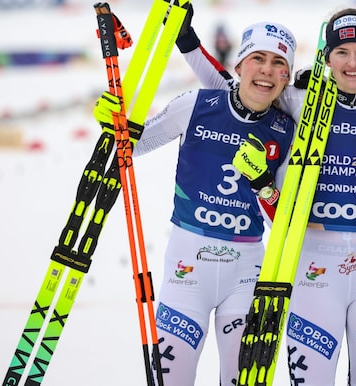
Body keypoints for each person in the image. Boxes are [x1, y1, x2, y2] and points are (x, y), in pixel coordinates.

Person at [177, 7, 356, 386]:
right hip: (313, 267)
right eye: (342, 52)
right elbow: (232, 90)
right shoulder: (302, 101)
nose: (353, 63)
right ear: (327, 57)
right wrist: (188, 45)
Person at [93, 20, 298, 386]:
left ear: (286, 77)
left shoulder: (285, 130)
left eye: (278, 64)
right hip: (187, 273)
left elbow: (284, 223)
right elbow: (133, 146)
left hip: (246, 275)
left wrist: (262, 182)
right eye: (258, 58)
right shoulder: (196, 105)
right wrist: (112, 124)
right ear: (239, 66)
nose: (267, 70)